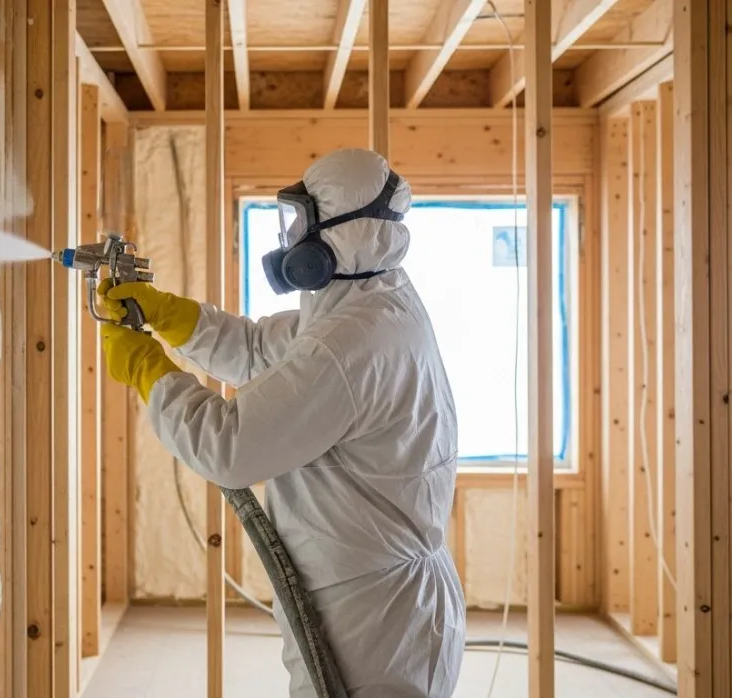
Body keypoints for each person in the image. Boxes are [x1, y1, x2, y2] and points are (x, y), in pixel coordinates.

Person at [99, 148, 465, 698]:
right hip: (386, 595)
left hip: (372, 622)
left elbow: (231, 448)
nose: (290, 240)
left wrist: (148, 371)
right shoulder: (374, 299)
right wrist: (169, 313)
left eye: (300, 223)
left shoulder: (350, 343)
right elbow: (260, 351)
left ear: (343, 234)